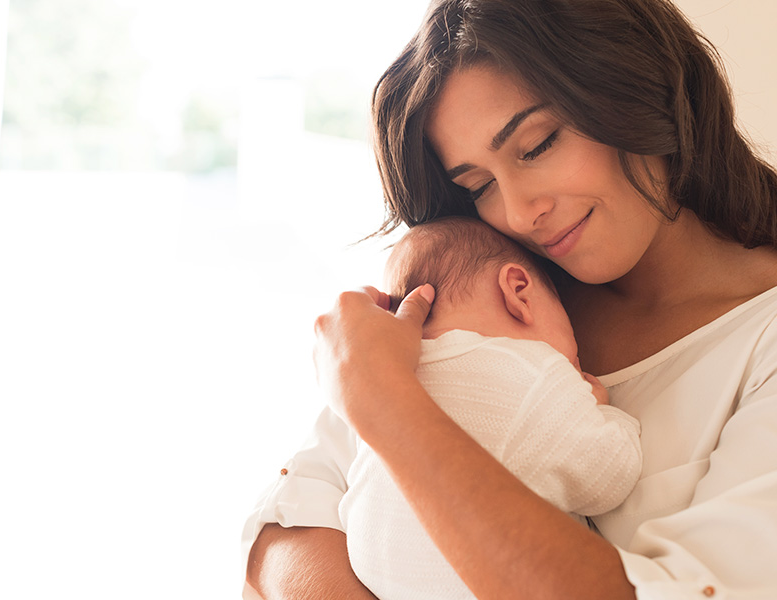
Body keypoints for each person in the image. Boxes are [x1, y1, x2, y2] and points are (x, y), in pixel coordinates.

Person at [244, 0, 777, 598]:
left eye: (537, 144)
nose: (521, 213)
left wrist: (389, 405)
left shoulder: (761, 344)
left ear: (638, 86)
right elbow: (287, 535)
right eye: (479, 185)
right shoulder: (491, 296)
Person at [340, 216, 642, 599]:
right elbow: (609, 478)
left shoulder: (386, 378)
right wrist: (603, 411)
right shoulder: (532, 372)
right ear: (519, 292)